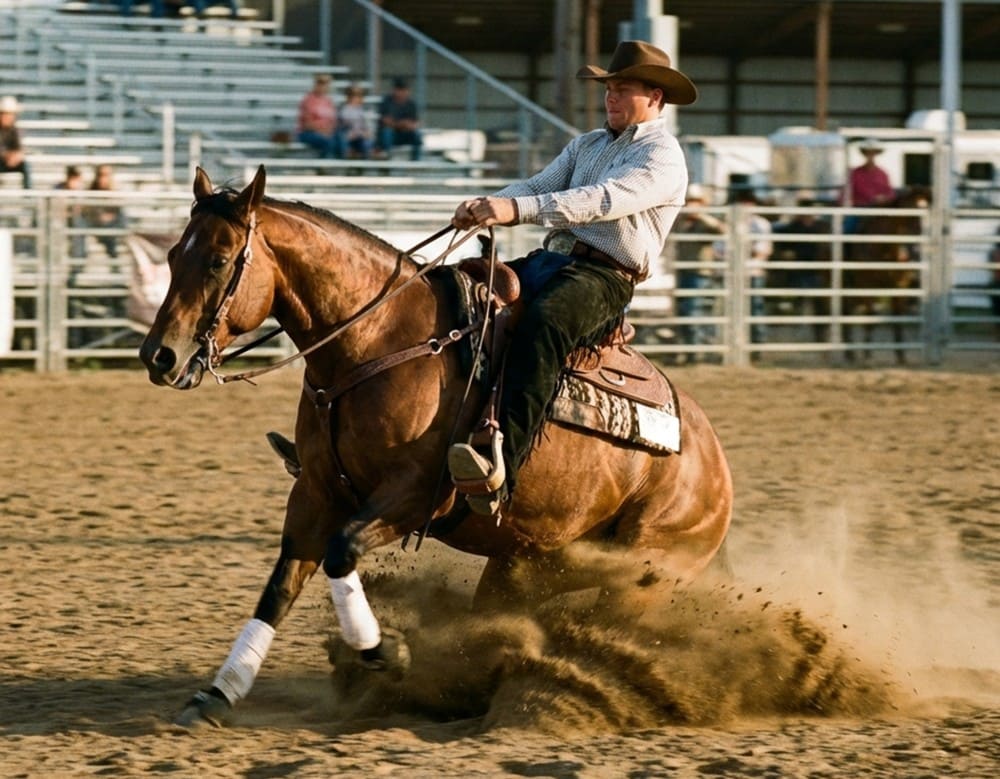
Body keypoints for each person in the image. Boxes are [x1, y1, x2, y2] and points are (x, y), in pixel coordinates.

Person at [445, 40, 697, 516]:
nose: (611, 97)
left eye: (624, 89)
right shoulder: (587, 144)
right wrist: (487, 203)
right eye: (609, 88)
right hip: (550, 260)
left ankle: (501, 469)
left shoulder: (663, 157)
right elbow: (538, 186)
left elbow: (604, 200)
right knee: (451, 291)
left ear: (656, 98)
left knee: (544, 324)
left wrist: (514, 209)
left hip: (604, 276)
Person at [671, 183, 725, 358]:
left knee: (693, 310)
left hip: (700, 272)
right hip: (683, 271)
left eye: (696, 201)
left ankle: (694, 350)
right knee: (683, 310)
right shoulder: (681, 221)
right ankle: (688, 348)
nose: (691, 205)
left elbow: (721, 230)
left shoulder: (705, 222)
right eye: (689, 201)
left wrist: (700, 215)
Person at [83, 164, 127, 261]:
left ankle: (116, 258)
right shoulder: (91, 191)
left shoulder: (115, 192)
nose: (103, 178)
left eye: (106, 175)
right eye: (101, 175)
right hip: (95, 226)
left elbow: (117, 211)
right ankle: (114, 259)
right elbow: (87, 211)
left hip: (111, 226)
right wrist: (99, 216)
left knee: (122, 218)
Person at [296, 74, 343, 159]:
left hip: (326, 132)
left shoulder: (328, 101)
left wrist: (329, 130)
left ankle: (342, 165)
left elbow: (333, 122)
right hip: (308, 133)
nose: (323, 86)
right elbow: (307, 124)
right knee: (328, 141)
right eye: (320, 83)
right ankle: (324, 166)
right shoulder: (309, 100)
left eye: (326, 83)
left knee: (341, 139)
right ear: (315, 84)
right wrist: (322, 131)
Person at [377, 78, 422, 161]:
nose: (403, 93)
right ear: (395, 90)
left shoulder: (411, 104)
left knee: (417, 134)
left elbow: (416, 124)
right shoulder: (387, 102)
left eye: (405, 89)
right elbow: (386, 121)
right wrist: (401, 124)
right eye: (400, 89)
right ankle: (387, 161)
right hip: (392, 135)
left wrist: (406, 125)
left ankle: (416, 162)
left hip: (405, 134)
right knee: (387, 132)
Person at [845, 138, 895, 207]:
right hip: (860, 209)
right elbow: (853, 192)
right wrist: (873, 197)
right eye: (868, 152)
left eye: (873, 153)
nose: (870, 156)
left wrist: (884, 198)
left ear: (876, 154)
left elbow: (890, 193)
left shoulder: (882, 173)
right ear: (864, 154)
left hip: (879, 210)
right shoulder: (855, 173)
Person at [56, 165, 87, 260]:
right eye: (73, 178)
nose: (75, 182)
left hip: (75, 221)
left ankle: (78, 259)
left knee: (78, 223)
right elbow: (57, 208)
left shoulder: (81, 190)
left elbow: (80, 210)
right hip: (59, 220)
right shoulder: (58, 188)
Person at [0, 96, 31, 189]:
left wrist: (16, 156)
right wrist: (7, 155)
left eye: (11, 114)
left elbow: (19, 148)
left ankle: (28, 196)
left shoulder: (14, 130)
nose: (9, 117)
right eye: (6, 114)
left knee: (25, 165)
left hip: (8, 162)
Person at [338, 85, 373, 160]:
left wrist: (364, 133)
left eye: (358, 95)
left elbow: (368, 130)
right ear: (348, 96)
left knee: (367, 144)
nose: (355, 97)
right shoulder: (343, 109)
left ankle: (364, 167)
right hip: (348, 138)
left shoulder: (364, 110)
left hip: (360, 138)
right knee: (343, 140)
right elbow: (344, 127)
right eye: (352, 94)